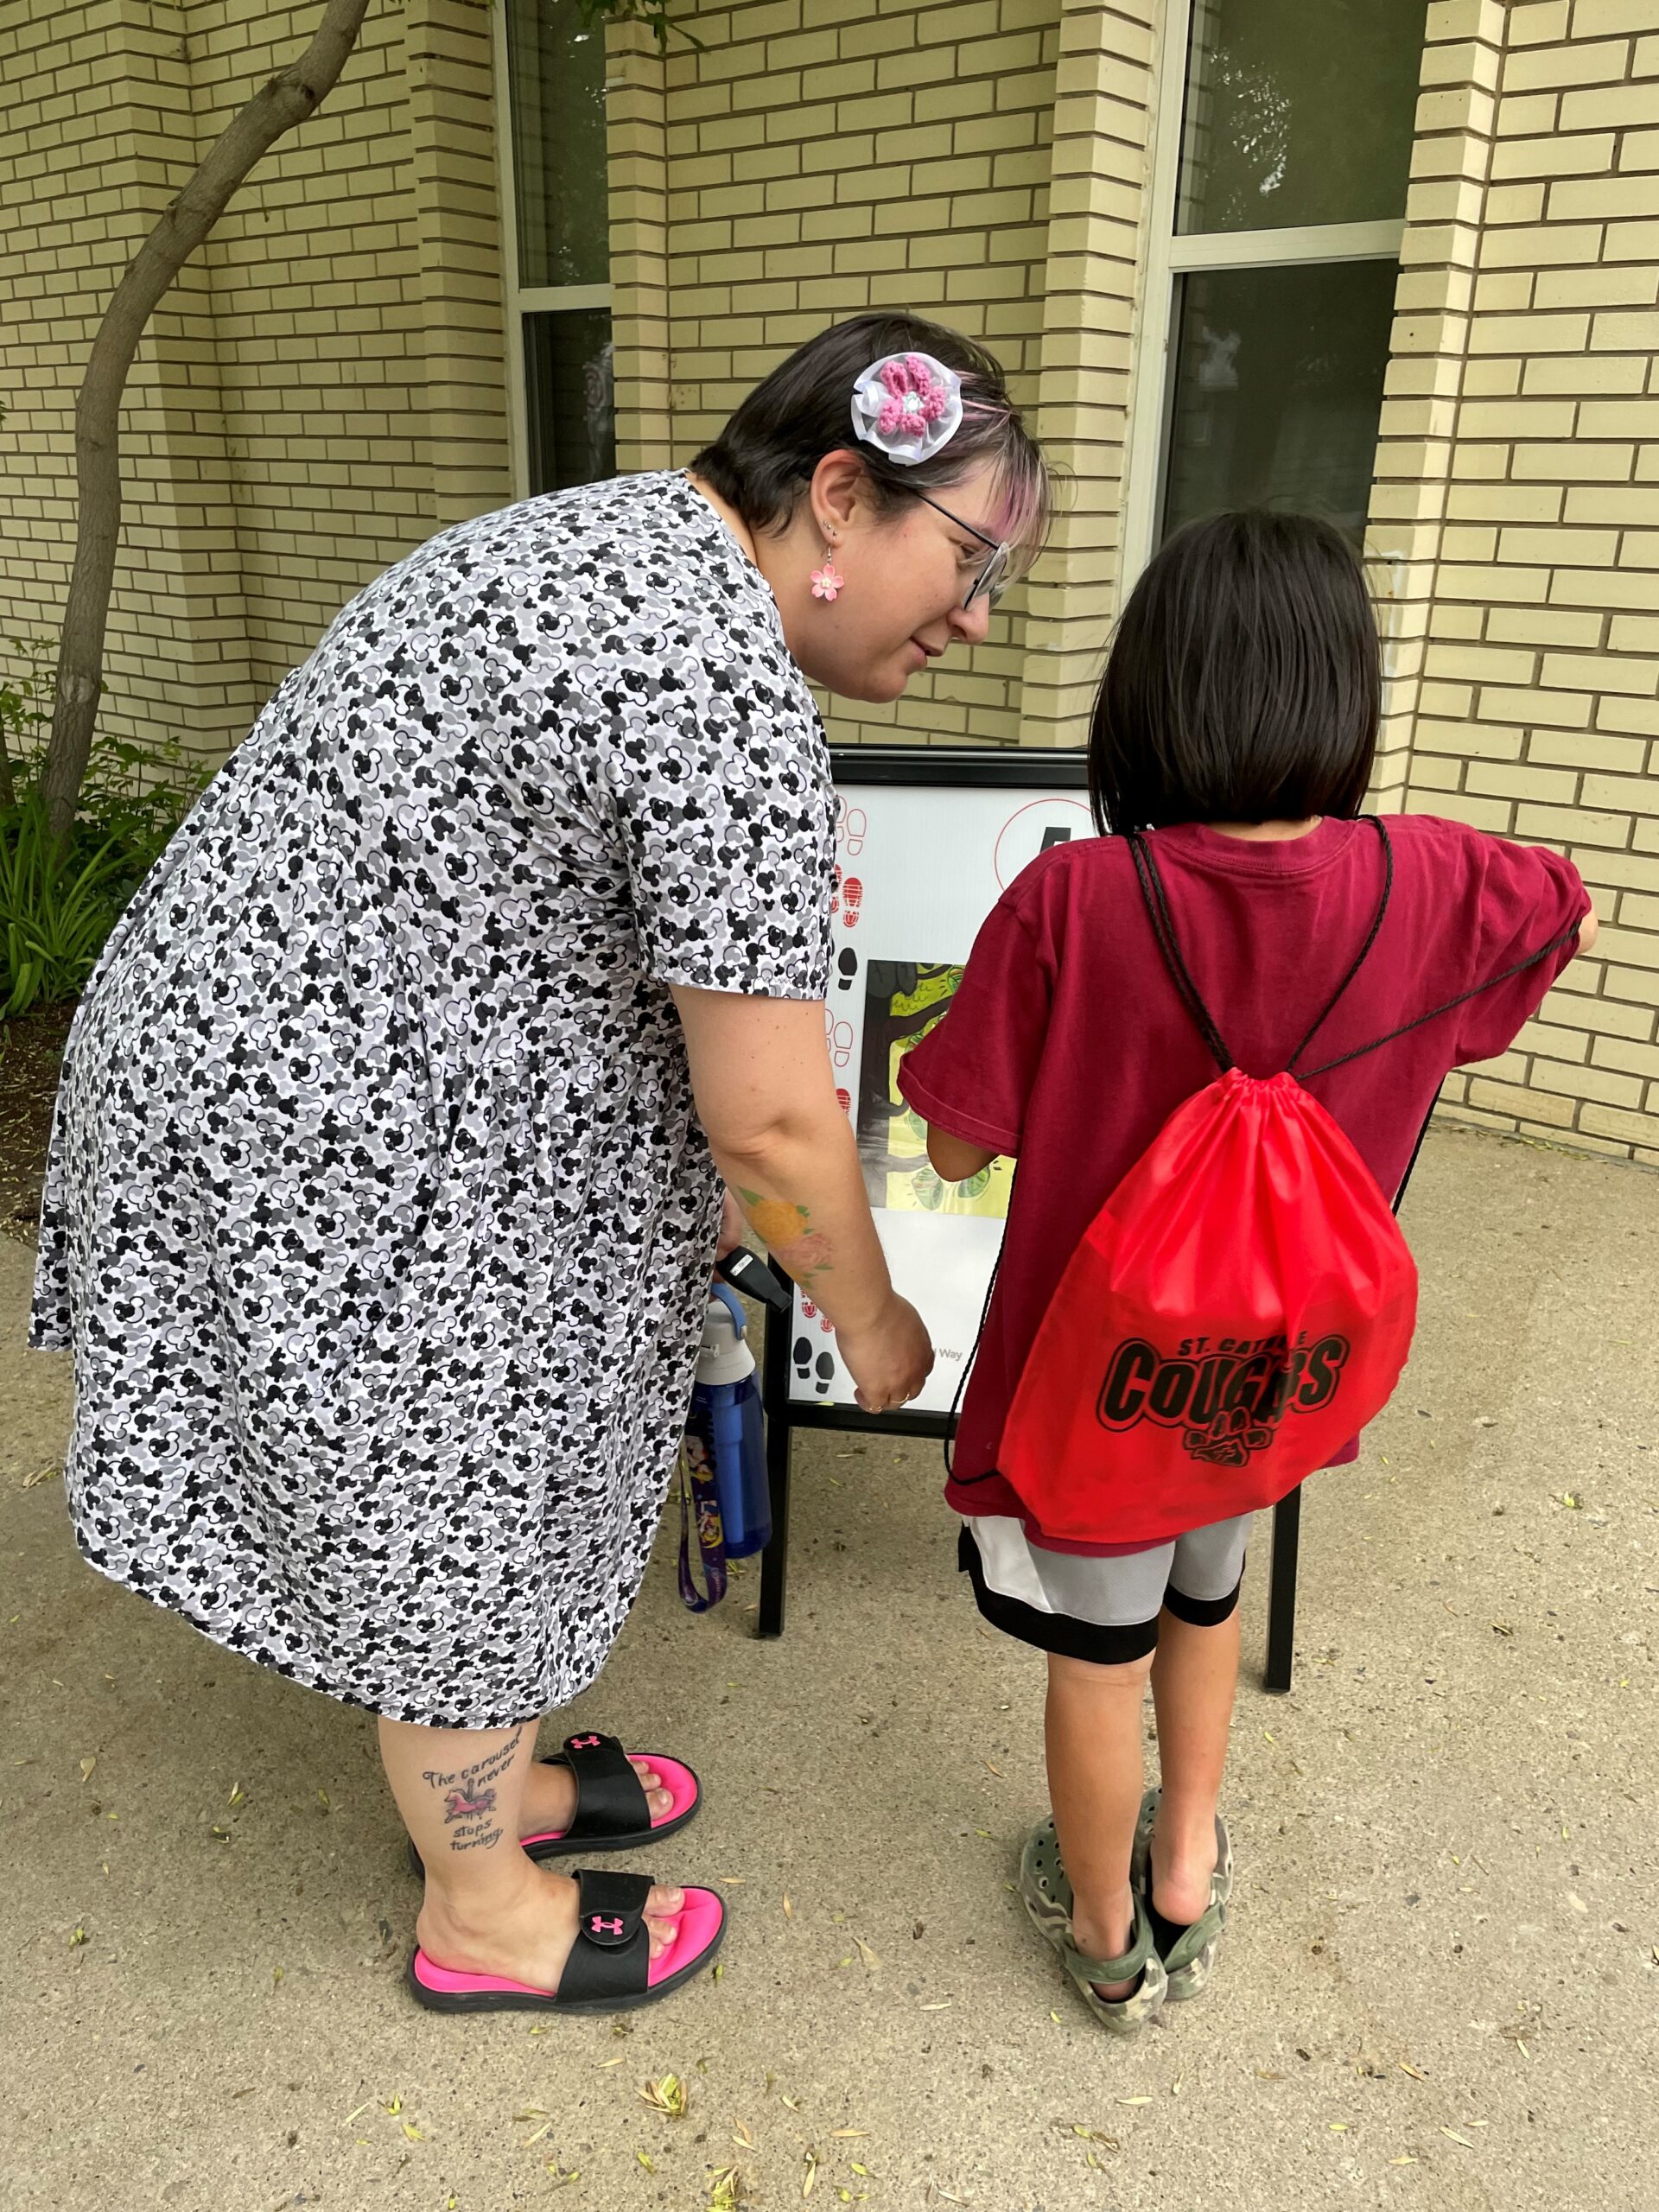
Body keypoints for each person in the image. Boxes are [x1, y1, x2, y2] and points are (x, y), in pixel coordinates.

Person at [29, 313, 1051, 2015]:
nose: (978, 615)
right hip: (332, 1131)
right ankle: (482, 1903)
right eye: (970, 558)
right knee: (460, 1494)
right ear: (840, 494)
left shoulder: (611, 535)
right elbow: (772, 1118)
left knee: (493, 1464)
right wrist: (872, 1322)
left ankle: (490, 1790)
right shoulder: (723, 687)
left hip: (282, 1059)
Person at [897, 511, 1596, 2031]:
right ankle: (1189, 1864)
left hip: (1106, 1376)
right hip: (1281, 1361)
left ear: (1152, 692)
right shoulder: (1437, 880)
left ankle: (1104, 1934)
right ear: (1346, 688)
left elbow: (952, 1148)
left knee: (1099, 1652)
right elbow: (1559, 901)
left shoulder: (1077, 900)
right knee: (1207, 1598)